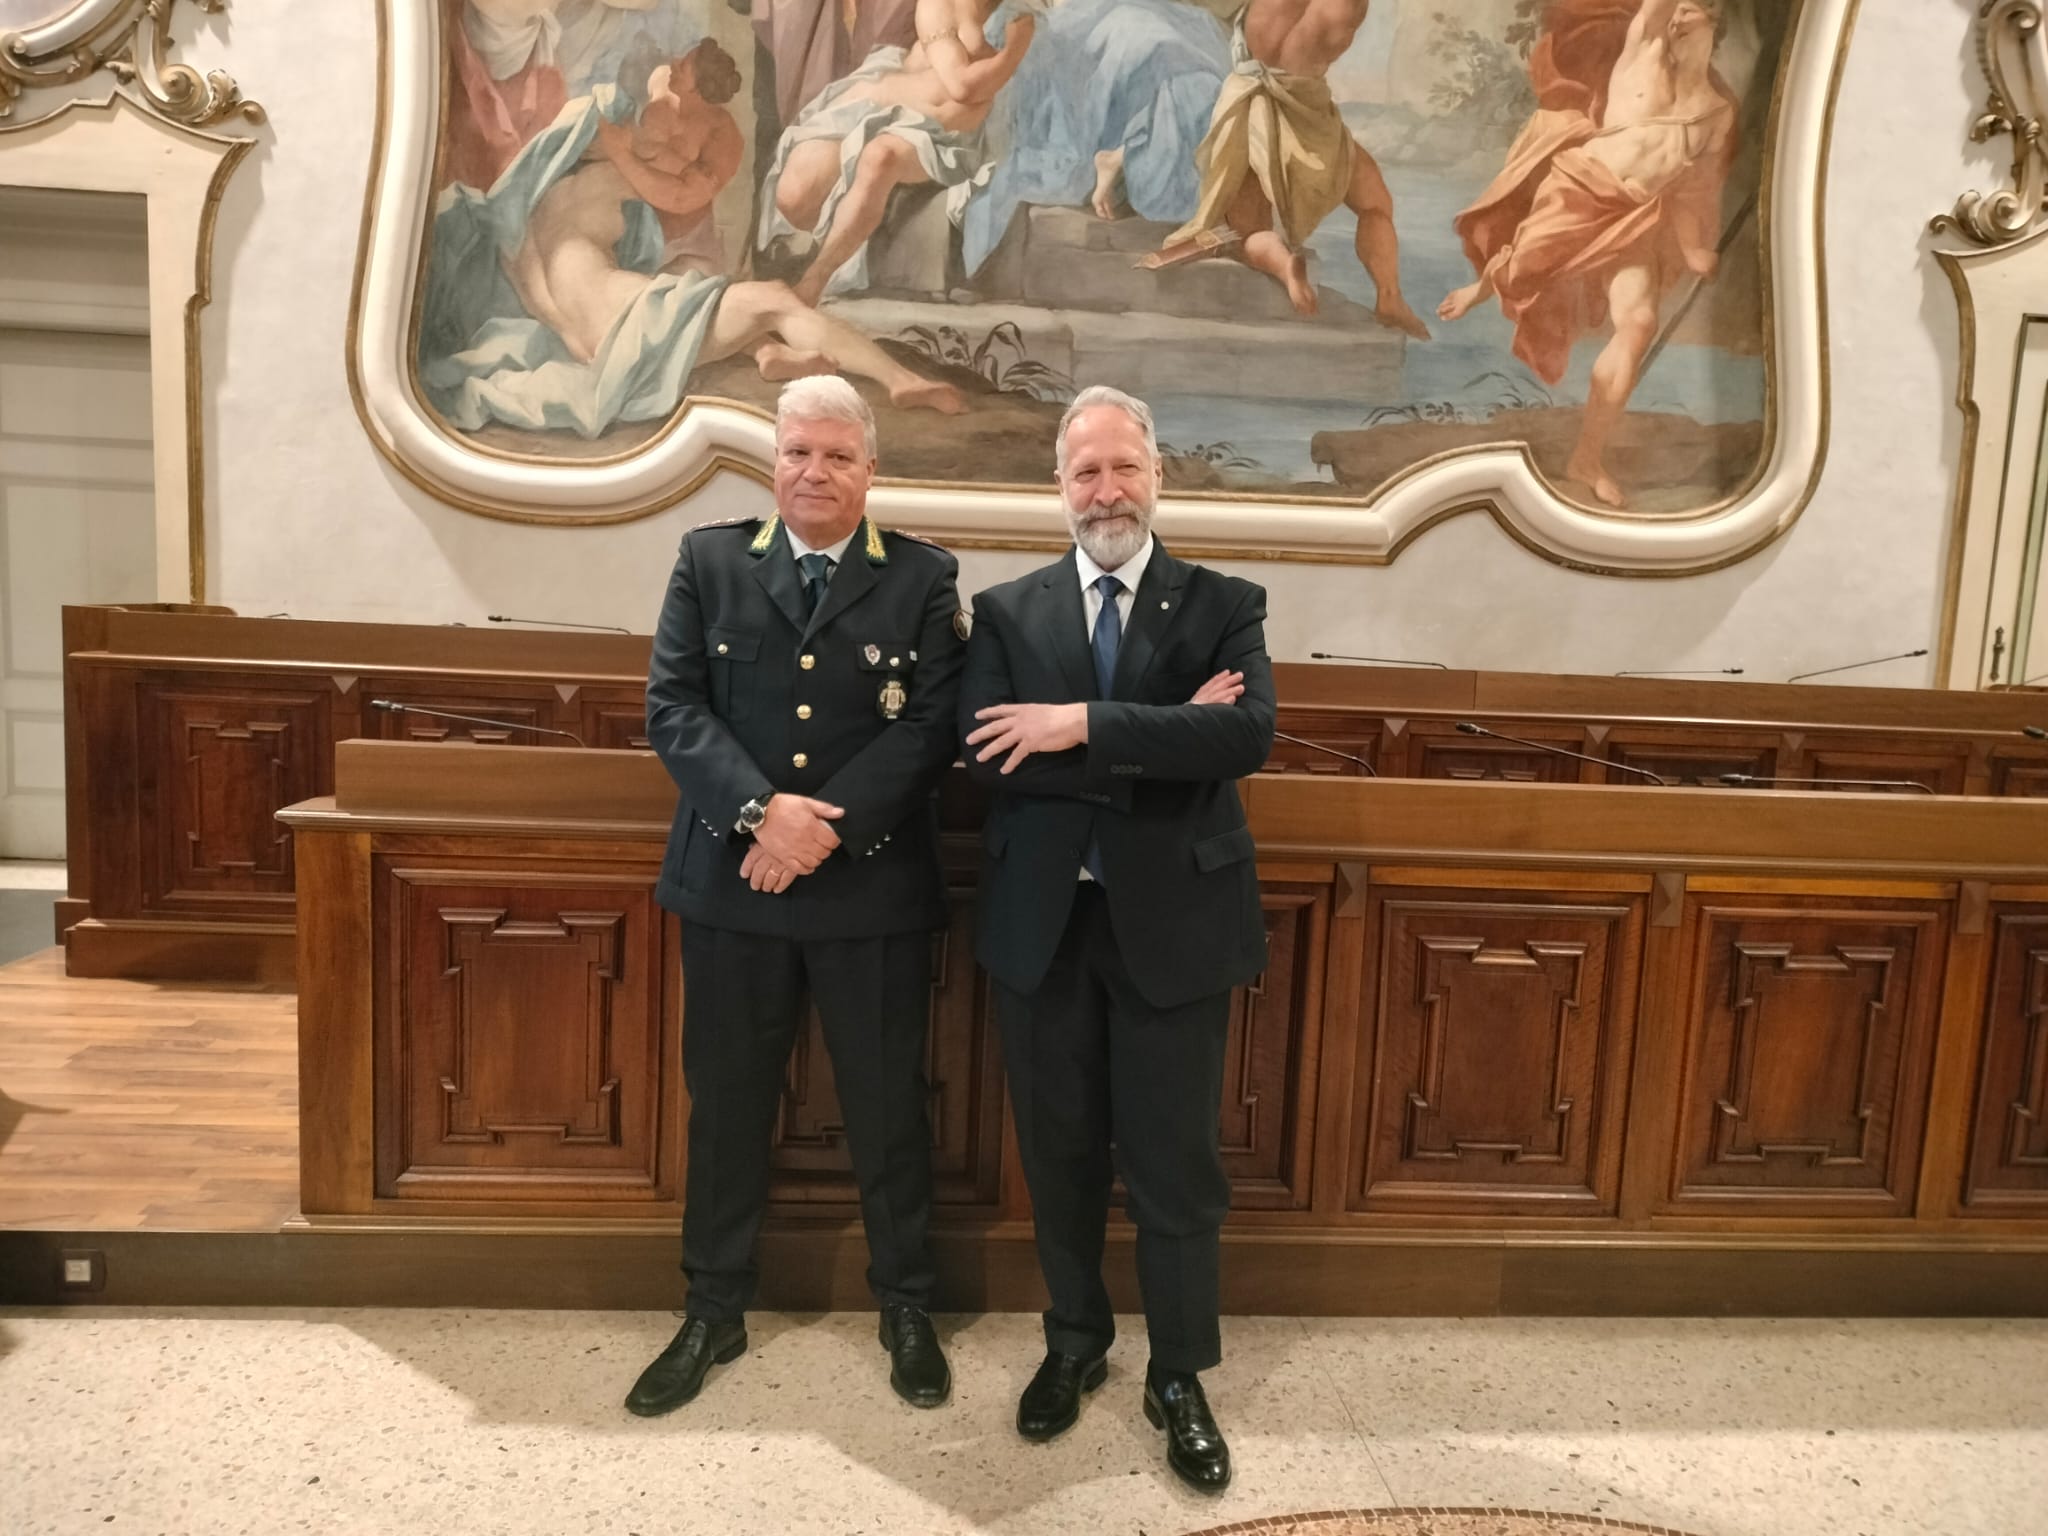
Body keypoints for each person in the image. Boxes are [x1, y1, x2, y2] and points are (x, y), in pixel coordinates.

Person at [956, 385, 1275, 1492]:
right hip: (1043, 927)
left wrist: (1075, 724)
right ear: (1059, 487)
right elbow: (985, 754)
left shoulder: (1223, 603)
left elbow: (1244, 736)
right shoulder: (1006, 613)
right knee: (1058, 1156)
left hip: (1176, 930)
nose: (1105, 491)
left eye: (1123, 468)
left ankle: (1178, 1374)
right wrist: (1163, 733)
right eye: (1085, 472)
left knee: (1175, 1166)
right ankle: (1074, 1343)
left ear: (1156, 477)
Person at [630, 374, 967, 1417]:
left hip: (869, 890)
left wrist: (817, 831)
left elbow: (932, 729)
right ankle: (712, 1309)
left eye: (835, 456)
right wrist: (758, 815)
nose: (813, 472)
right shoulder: (710, 562)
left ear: (870, 469)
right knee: (727, 1107)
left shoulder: (922, 577)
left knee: (886, 1108)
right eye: (796, 453)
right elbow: (673, 706)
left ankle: (905, 1305)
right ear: (772, 462)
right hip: (734, 887)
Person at [1438, 0, 1737, 507]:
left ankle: (1588, 457)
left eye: (1690, 11)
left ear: (1714, 19)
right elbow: (1655, 12)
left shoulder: (1718, 114)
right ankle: (1479, 287)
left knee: (1638, 322)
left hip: (1636, 216)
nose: (1677, 19)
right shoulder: (1642, 49)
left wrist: (1692, 251)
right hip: (1581, 188)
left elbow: (1688, 193)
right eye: (1675, 9)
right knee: (1520, 271)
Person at [1142, 0, 1429, 338]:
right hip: (1308, 120)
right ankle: (1389, 296)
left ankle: (1282, 262)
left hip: (1247, 115)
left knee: (1246, 232)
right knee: (1375, 205)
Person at [758, 0, 1038, 305]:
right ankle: (821, 255)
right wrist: (1013, 52)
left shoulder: (1024, 11)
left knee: (881, 156)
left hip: (956, 138)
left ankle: (817, 277)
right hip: (898, 106)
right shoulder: (939, 5)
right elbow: (962, 87)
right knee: (798, 192)